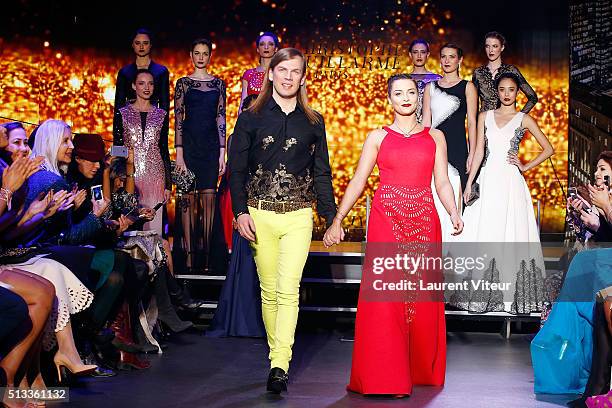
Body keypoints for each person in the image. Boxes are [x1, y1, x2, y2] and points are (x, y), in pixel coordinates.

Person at [323, 74, 463, 397]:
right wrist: (337, 219)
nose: (404, 98)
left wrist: (454, 211)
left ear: (418, 96)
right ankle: (386, 375)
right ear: (389, 99)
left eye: (410, 92)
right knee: (387, 299)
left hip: (424, 222)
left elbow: (441, 181)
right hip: (387, 220)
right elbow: (359, 180)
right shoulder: (376, 137)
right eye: (398, 93)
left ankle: (416, 370)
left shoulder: (435, 137)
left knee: (418, 299)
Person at [229, 48, 336, 394]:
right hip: (259, 215)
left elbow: (322, 173)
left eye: (296, 71)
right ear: (271, 74)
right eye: (283, 70)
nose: (289, 76)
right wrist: (240, 211)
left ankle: (279, 363)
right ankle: (278, 357)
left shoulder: (314, 121)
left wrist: (331, 218)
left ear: (303, 77)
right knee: (269, 292)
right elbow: (237, 170)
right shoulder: (250, 118)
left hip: (299, 216)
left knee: (288, 290)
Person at [457, 72, 554, 313]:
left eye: (511, 89)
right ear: (496, 92)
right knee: (486, 231)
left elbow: (549, 149)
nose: (507, 94)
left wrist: (525, 165)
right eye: (502, 89)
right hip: (488, 179)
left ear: (517, 92)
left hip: (511, 182)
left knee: (511, 233)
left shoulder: (523, 118)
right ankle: (480, 296)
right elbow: (478, 152)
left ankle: (511, 297)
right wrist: (470, 183)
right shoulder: (484, 116)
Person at [174, 38, 226, 272]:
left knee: (209, 202)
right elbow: (178, 120)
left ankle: (206, 260)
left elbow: (221, 118)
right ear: (191, 55)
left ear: (209, 56)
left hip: (211, 147)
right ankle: (187, 258)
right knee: (187, 200)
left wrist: (222, 152)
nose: (201, 57)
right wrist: (179, 153)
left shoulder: (218, 84)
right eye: (197, 53)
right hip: (189, 146)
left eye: (205, 53)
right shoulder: (183, 84)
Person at [422, 43, 478, 240]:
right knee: (433, 191)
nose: (446, 61)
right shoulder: (431, 87)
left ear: (460, 60)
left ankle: (455, 242)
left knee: (456, 192)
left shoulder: (468, 87)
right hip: (433, 146)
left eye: (451, 57)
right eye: (443, 57)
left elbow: (472, 122)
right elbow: (426, 121)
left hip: (458, 148)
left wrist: (472, 152)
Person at [114, 69, 171, 236]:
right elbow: (117, 147)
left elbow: (164, 149)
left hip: (156, 177)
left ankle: (154, 262)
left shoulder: (162, 115)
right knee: (130, 229)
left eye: (150, 83)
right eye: (141, 83)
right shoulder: (122, 113)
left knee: (154, 231)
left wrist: (168, 184)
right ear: (133, 86)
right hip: (131, 178)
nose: (147, 87)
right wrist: (118, 177)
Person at [113, 28, 170, 145]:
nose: (141, 47)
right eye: (138, 43)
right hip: (129, 123)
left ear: (151, 45)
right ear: (132, 45)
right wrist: (118, 140)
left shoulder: (161, 71)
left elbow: (164, 106)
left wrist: (162, 137)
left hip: (153, 123)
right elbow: (118, 106)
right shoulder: (125, 72)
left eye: (145, 43)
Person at [471, 31, 538, 113]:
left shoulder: (511, 70)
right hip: (484, 122)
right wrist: (476, 124)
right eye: (487, 46)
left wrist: (519, 118)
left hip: (507, 122)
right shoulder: (478, 73)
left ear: (502, 48)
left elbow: (533, 97)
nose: (490, 50)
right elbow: (473, 104)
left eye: (495, 46)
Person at [239, 32, 279, 112]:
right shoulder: (248, 74)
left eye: (270, 44)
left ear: (276, 49)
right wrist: (240, 122)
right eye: (262, 44)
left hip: (274, 121)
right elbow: (242, 104)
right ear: (257, 49)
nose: (266, 47)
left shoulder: (280, 73)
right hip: (252, 120)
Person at [407, 39, 442, 123]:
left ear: (428, 54)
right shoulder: (404, 80)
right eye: (415, 52)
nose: (419, 56)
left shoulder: (437, 79)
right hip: (408, 127)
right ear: (410, 54)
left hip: (432, 127)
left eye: (422, 52)